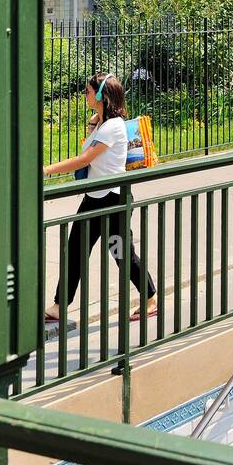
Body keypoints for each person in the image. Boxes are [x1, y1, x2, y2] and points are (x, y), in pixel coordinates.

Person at [43, 73, 157, 323]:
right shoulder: (103, 125)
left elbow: (85, 160)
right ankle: (59, 306)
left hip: (113, 199)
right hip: (93, 197)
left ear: (101, 95)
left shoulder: (113, 127)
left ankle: (150, 299)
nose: (84, 95)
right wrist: (93, 123)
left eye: (87, 91)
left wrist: (47, 170)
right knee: (75, 250)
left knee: (121, 252)